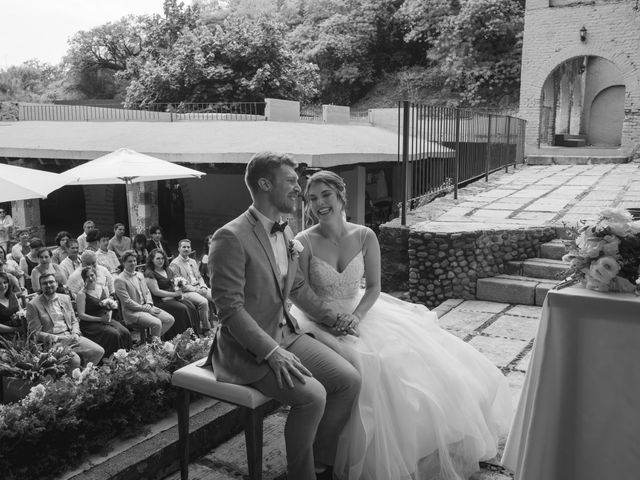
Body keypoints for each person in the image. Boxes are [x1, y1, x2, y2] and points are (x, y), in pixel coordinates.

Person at [291, 171, 514, 480]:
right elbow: (300, 292)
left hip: (360, 313)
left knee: (409, 363)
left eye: (325, 195)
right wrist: (330, 320)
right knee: (366, 366)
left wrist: (356, 317)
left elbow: (373, 289)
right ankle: (328, 451)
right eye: (312, 199)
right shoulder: (303, 241)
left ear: (341, 196)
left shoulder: (365, 236)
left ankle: (408, 445)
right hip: (317, 319)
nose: (319, 204)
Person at [205, 151, 361, 480]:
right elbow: (229, 310)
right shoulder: (229, 237)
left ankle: (317, 459)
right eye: (291, 181)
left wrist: (336, 318)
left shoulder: (287, 233)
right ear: (264, 183)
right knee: (313, 396)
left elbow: (299, 288)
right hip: (247, 349)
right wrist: (272, 352)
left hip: (286, 333)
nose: (298, 189)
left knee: (349, 381)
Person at [26, 273, 104, 368]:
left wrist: (75, 333)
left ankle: (82, 378)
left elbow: (74, 321)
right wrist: (58, 338)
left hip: (70, 335)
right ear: (40, 286)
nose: (49, 285)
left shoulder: (65, 298)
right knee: (75, 360)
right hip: (52, 341)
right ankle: (73, 380)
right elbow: (35, 333)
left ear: (57, 283)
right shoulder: (33, 304)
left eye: (51, 282)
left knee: (98, 351)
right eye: (45, 283)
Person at [114, 250, 175, 340]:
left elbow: (147, 292)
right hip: (132, 312)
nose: (133, 263)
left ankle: (152, 341)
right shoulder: (120, 280)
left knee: (169, 319)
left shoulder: (140, 275)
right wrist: (144, 308)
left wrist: (149, 304)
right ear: (123, 263)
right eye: (130, 261)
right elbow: (127, 302)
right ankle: (155, 346)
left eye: (134, 261)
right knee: (157, 323)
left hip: (147, 306)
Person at [76, 266, 131, 358]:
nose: (90, 278)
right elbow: (81, 315)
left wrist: (110, 310)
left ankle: (128, 357)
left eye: (92, 275)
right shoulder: (81, 294)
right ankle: (114, 360)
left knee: (125, 332)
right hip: (90, 323)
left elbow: (108, 305)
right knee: (114, 334)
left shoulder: (103, 288)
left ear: (96, 275)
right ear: (83, 278)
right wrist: (100, 319)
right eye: (87, 276)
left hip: (105, 319)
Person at [144, 249, 198, 338]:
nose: (161, 261)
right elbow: (156, 292)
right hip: (160, 301)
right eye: (158, 259)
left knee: (190, 305)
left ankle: (191, 334)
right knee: (182, 308)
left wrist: (179, 293)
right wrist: (174, 295)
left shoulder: (167, 269)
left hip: (172, 297)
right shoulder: (150, 273)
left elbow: (173, 283)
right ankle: (178, 337)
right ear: (152, 260)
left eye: (162, 258)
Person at [169, 239, 213, 332]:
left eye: (188, 247)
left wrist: (203, 286)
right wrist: (197, 290)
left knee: (217, 296)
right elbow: (180, 285)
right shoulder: (174, 264)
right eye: (184, 247)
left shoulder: (192, 261)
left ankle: (223, 324)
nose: (186, 249)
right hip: (186, 291)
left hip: (199, 287)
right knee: (203, 302)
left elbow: (199, 277)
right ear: (179, 249)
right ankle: (206, 328)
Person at [0, 272, 24, 339]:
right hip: (3, 337)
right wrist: (15, 329)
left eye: (5, 282)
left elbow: (21, 311)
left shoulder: (12, 295)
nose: (3, 286)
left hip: (20, 332)